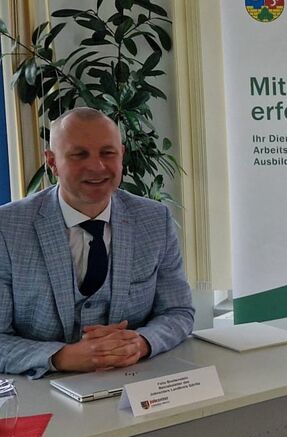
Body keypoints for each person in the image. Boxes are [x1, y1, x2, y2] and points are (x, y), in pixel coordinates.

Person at [0, 107, 194, 378]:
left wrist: (141, 343)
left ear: (121, 156)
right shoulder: (7, 227)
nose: (97, 166)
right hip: (41, 391)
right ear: (52, 162)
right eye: (79, 154)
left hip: (136, 381)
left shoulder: (154, 219)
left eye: (107, 153)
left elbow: (178, 311)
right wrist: (61, 356)